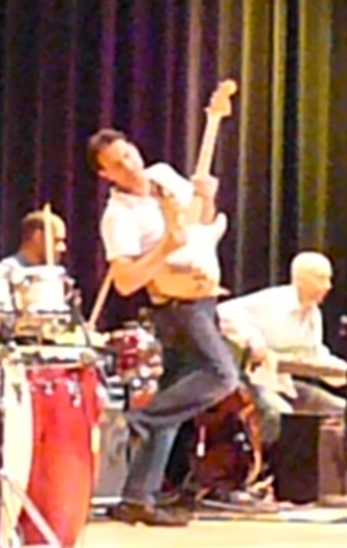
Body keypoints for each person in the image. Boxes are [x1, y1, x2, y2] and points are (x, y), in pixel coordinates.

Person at [91, 127, 234, 526]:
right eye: (117, 164)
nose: (129, 165)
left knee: (176, 397)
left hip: (202, 299)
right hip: (176, 308)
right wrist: (164, 249)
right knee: (222, 376)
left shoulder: (164, 176)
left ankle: (137, 498)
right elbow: (125, 282)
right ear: (106, 175)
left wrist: (207, 197)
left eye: (129, 154)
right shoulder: (118, 217)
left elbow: (199, 223)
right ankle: (143, 418)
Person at [217, 252, 347, 444]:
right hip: (251, 382)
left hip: (283, 384)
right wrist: (254, 342)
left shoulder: (313, 315)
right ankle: (272, 461)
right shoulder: (274, 301)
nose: (328, 286)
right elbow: (222, 312)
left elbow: (317, 358)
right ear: (301, 279)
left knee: (341, 411)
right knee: (280, 414)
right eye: (321, 279)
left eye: (329, 279)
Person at [0, 209, 68, 268]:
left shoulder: (57, 273)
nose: (63, 248)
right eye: (56, 240)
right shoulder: (6, 273)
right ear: (37, 236)